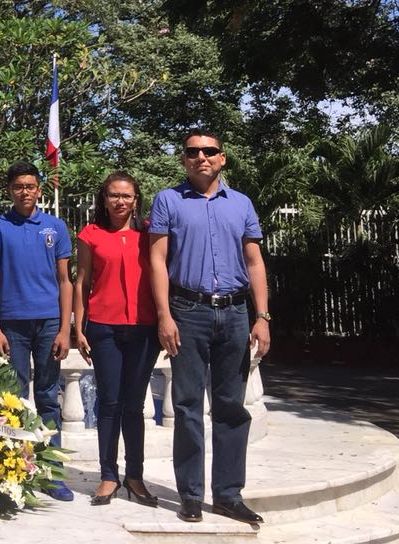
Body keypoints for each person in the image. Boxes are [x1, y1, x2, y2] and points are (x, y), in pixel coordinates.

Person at [149, 130, 271, 525]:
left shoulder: (241, 204)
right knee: (185, 407)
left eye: (210, 151)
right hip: (188, 311)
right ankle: (190, 495)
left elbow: (254, 263)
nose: (201, 157)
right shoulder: (168, 200)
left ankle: (228, 495)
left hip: (235, 313)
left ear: (222, 158)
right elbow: (157, 261)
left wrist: (262, 316)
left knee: (231, 408)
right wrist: (165, 316)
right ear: (184, 159)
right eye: (193, 151)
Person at [0, 160, 75, 501]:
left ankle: (52, 473)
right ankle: (17, 472)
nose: (25, 192)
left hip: (49, 322)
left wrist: (66, 328)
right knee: (14, 399)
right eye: (19, 186)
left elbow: (66, 281)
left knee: (49, 397)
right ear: (10, 190)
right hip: (12, 324)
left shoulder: (55, 227)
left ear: (39, 190)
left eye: (30, 186)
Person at [74, 171, 160, 507]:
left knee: (134, 405)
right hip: (103, 327)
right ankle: (108, 475)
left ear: (136, 199)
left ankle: (134, 475)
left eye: (126, 196)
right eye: (113, 195)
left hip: (144, 327)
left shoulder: (150, 232)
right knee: (109, 403)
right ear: (104, 199)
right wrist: (79, 328)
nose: (120, 201)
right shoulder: (90, 234)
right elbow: (82, 282)